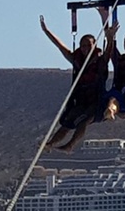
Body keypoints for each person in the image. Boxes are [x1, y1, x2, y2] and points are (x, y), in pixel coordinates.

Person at [40, 10, 114, 152]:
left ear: (94, 46)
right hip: (81, 101)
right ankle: (49, 144)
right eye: (83, 45)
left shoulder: (100, 61)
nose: (85, 49)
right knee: (67, 123)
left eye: (89, 45)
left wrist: (110, 36)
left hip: (96, 103)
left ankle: (71, 145)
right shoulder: (76, 59)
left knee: (83, 121)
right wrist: (46, 31)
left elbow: (109, 49)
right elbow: (59, 46)